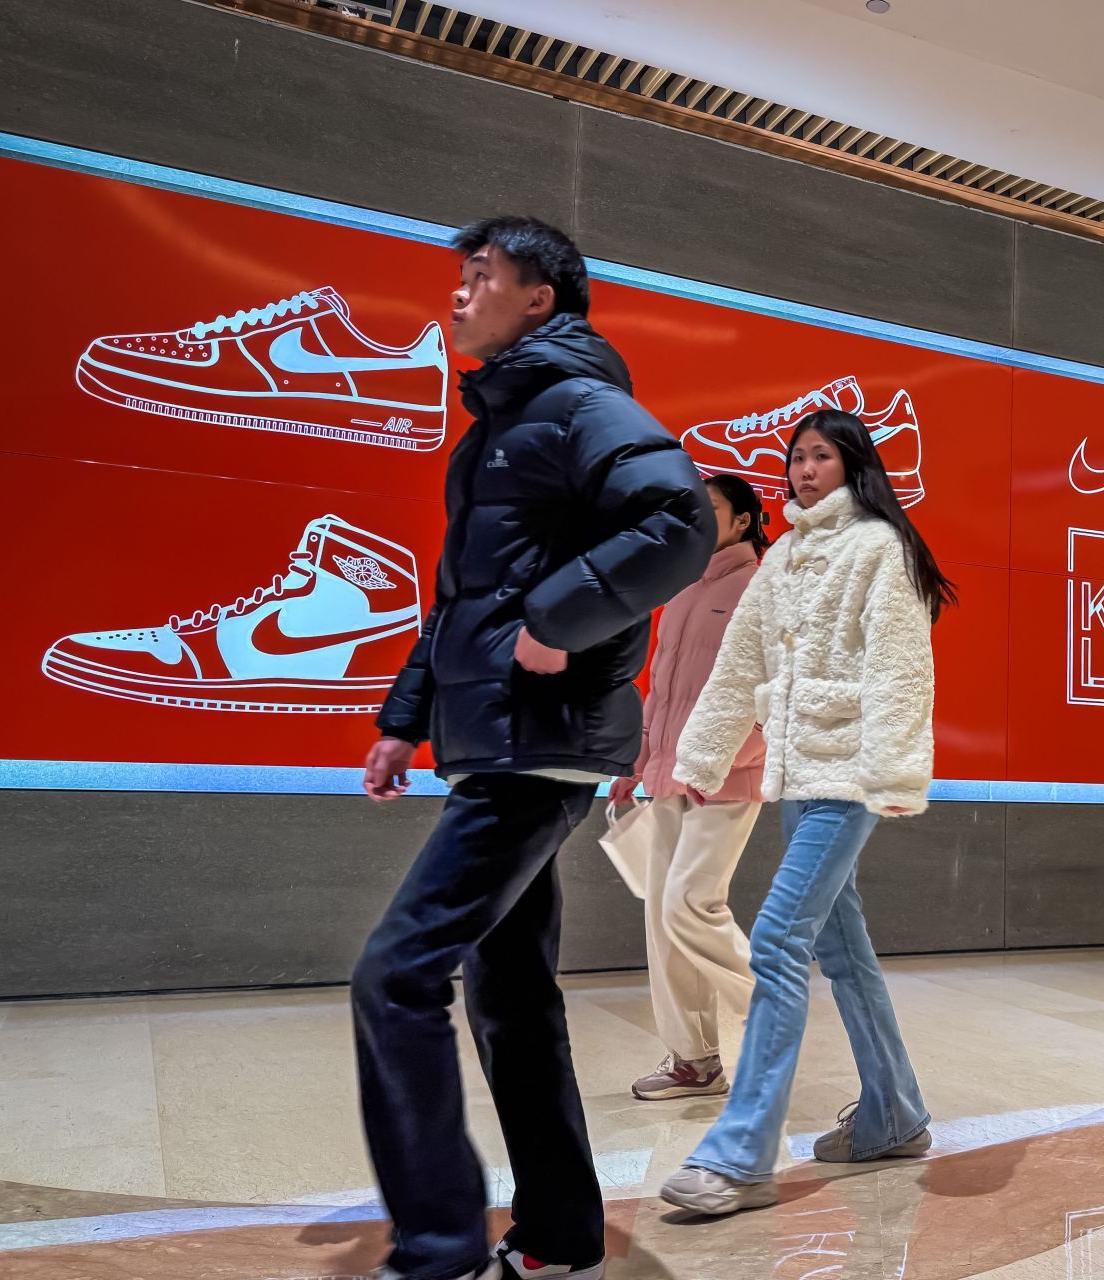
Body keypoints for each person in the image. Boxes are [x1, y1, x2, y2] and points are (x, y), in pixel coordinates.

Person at [353, 216, 714, 1280]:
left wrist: (557, 621)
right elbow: (464, 602)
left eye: (480, 279)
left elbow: (676, 520)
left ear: (539, 299)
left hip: (536, 744)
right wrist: (402, 719)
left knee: (396, 974)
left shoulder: (578, 405)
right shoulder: (500, 428)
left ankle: (437, 1247)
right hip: (498, 738)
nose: (457, 297)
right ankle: (558, 1234)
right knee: (507, 989)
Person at [656, 408, 956, 1217]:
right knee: (843, 951)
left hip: (849, 777)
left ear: (854, 465)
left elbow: (901, 668)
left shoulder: (878, 547)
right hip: (797, 777)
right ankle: (894, 1114)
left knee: (781, 940)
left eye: (820, 456)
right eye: (795, 458)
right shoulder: (784, 554)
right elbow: (736, 664)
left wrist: (893, 772)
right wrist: (698, 759)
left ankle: (741, 1153)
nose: (802, 470)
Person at [609, 474, 771, 1102]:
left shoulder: (760, 587)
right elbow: (663, 693)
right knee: (662, 917)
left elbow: (770, 697)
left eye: (712, 511)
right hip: (666, 778)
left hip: (723, 783)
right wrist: (638, 761)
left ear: (743, 521)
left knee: (689, 906)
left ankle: (772, 1013)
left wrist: (721, 760)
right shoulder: (679, 591)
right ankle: (694, 1061)